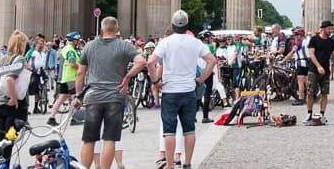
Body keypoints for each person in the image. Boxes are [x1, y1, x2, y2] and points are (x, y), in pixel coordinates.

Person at [147, 10, 216, 169]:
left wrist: (156, 81)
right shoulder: (195, 42)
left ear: (172, 25)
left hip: (170, 90)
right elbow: (212, 61)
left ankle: (170, 165)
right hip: (189, 90)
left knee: (169, 130)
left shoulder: (165, 42)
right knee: (189, 129)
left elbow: (150, 63)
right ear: (187, 25)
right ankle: (187, 163)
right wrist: (200, 79)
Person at [74, 16, 146, 169]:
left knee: (89, 139)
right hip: (115, 97)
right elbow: (141, 62)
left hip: (93, 97)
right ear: (117, 30)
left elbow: (80, 73)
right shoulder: (124, 46)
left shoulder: (90, 46)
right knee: (110, 139)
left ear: (102, 30)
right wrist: (127, 77)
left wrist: (78, 96)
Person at [0, 31, 29, 164]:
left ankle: (0, 164)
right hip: (14, 105)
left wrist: (0, 91)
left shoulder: (4, 59)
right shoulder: (20, 59)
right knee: (10, 138)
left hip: (2, 103)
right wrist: (14, 98)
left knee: (1, 140)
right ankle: (5, 165)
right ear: (21, 44)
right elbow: (10, 79)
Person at [305, 20, 334, 125]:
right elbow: (311, 54)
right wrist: (318, 66)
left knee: (325, 93)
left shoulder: (331, 41)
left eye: (331, 28)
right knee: (310, 92)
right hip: (313, 69)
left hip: (326, 71)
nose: (330, 30)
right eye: (328, 28)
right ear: (323, 29)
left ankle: (322, 113)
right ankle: (309, 113)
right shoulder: (314, 39)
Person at [47, 31, 82, 126]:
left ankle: (52, 117)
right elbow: (72, 63)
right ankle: (74, 118)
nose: (78, 42)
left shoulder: (65, 48)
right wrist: (81, 67)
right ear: (74, 40)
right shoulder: (70, 50)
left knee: (61, 98)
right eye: (77, 40)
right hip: (71, 78)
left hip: (65, 78)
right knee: (75, 98)